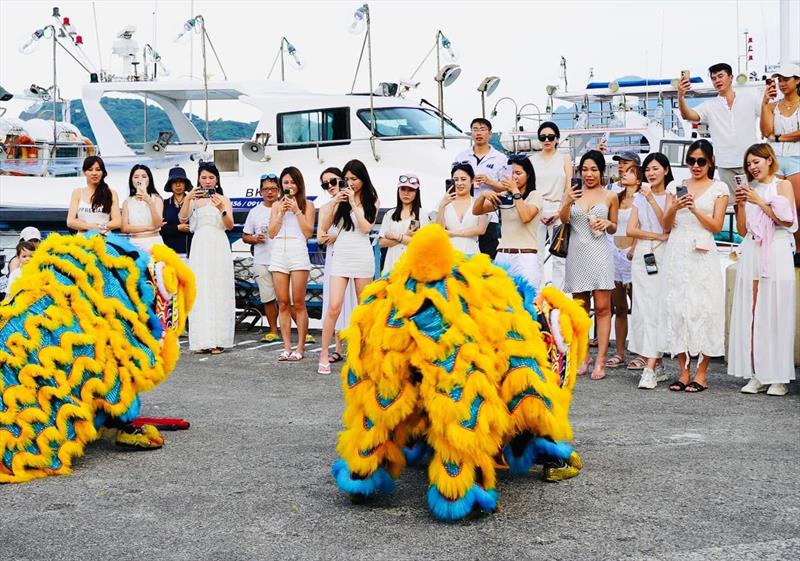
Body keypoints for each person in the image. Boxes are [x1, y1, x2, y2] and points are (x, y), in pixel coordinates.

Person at [661, 140, 729, 393]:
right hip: (678, 250)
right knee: (677, 307)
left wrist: (694, 209)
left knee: (705, 307)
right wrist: (675, 207)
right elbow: (666, 225)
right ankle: (683, 370)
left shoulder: (719, 188)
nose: (696, 166)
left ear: (710, 162)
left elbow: (717, 226)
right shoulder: (675, 186)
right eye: (691, 161)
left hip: (703, 250)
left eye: (701, 161)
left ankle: (702, 372)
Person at [729, 143, 797, 396]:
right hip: (753, 248)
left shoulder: (782, 184)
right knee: (754, 311)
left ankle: (778, 376)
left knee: (776, 309)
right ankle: (757, 372)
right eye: (749, 164)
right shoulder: (750, 190)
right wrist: (740, 205)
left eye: (756, 162)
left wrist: (759, 201)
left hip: (777, 248)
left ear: (769, 160)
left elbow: (788, 220)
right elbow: (742, 230)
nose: (752, 167)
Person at [559, 150, 619, 380]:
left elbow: (614, 227)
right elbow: (563, 219)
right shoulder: (573, 193)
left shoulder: (610, 196)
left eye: (593, 169)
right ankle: (583, 355)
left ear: (601, 171)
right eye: (585, 169)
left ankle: (601, 359)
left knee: (603, 308)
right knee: (580, 309)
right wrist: (567, 200)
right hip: (576, 253)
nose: (589, 174)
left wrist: (607, 223)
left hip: (600, 252)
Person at [318, 159, 378, 374]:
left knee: (363, 309)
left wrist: (353, 203)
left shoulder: (372, 199)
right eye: (348, 179)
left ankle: (363, 353)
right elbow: (324, 229)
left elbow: (365, 228)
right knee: (334, 306)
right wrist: (336, 202)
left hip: (361, 254)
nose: (351, 183)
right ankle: (324, 353)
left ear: (363, 179)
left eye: (355, 179)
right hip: (341, 254)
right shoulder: (339, 200)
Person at [678, 62, 761, 199]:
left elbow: (768, 113)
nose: (717, 80)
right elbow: (688, 115)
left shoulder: (750, 99)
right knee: (735, 205)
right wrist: (680, 95)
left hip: (750, 162)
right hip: (725, 164)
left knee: (756, 202)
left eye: (720, 76)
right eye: (714, 78)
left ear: (731, 77)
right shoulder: (709, 106)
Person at [626, 153, 672, 389]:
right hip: (645, 254)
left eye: (655, 168)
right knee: (643, 310)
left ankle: (650, 367)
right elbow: (631, 229)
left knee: (658, 309)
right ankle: (657, 363)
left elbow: (667, 223)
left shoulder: (671, 195)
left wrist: (653, 200)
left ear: (665, 170)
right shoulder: (638, 198)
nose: (651, 173)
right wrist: (656, 236)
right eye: (648, 169)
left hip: (664, 256)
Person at [179, 162, 235, 354]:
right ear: (198, 179)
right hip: (200, 244)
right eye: (204, 177)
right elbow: (183, 218)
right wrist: (188, 199)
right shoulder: (194, 199)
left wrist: (222, 209)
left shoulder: (224, 199)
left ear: (217, 179)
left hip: (218, 243)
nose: (208, 181)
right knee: (201, 289)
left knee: (219, 287)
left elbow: (229, 225)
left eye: (211, 177)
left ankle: (219, 339)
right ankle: (202, 340)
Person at [268, 166, 315, 362]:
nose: (289, 186)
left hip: (298, 252)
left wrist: (296, 211)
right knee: (283, 303)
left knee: (298, 302)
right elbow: (271, 233)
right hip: (279, 251)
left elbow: (307, 233)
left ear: (299, 184)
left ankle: (301, 347)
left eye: (292, 182)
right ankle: (286, 347)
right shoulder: (276, 206)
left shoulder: (308, 205)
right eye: (285, 183)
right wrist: (280, 214)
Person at [474, 155, 542, 288]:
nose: (514, 177)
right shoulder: (504, 196)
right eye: (511, 173)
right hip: (503, 255)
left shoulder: (535, 196)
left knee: (529, 300)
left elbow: (526, 217)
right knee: (501, 300)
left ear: (528, 175)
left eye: (518, 173)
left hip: (526, 256)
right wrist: (483, 195)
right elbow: (476, 211)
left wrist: (515, 190)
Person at [759, 62, 800, 265]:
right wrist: (764, 101)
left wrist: (779, 137)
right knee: (776, 205)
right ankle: (778, 248)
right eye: (780, 80)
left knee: (797, 205)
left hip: (797, 159)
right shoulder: (772, 106)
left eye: (786, 79)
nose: (782, 83)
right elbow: (765, 132)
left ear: (797, 80)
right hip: (775, 160)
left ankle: (799, 248)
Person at [317, 167, 357, 364]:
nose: (331, 186)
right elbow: (319, 236)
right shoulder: (326, 207)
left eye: (333, 181)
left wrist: (336, 235)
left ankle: (355, 345)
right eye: (326, 184)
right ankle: (338, 346)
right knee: (334, 303)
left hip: (352, 253)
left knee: (353, 298)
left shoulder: (352, 201)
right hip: (334, 256)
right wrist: (328, 236)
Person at [453, 118, 507, 258]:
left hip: (489, 214)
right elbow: (454, 184)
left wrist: (490, 181)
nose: (479, 133)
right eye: (475, 129)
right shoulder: (461, 157)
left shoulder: (500, 159)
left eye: (483, 129)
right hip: (464, 213)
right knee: (463, 252)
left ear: (490, 133)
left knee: (487, 256)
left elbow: (507, 188)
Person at [605, 165, 641, 370]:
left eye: (630, 171)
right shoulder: (615, 197)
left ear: (638, 178)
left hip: (633, 253)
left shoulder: (643, 198)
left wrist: (635, 247)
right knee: (618, 306)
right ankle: (619, 352)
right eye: (623, 171)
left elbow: (644, 224)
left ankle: (643, 352)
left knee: (639, 305)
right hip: (614, 253)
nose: (624, 173)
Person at [530, 121, 572, 289]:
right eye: (542, 137)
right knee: (536, 255)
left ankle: (558, 295)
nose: (546, 140)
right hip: (536, 209)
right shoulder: (532, 160)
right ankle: (538, 294)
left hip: (558, 208)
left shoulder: (564, 158)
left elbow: (569, 187)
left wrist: (561, 210)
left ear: (557, 139)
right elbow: (529, 188)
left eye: (550, 136)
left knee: (559, 257)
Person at [242, 173, 281, 343]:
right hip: (262, 259)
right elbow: (245, 236)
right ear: (260, 192)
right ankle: (273, 330)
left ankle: (300, 329)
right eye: (266, 189)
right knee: (268, 297)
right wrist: (254, 239)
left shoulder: (285, 207)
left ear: (279, 190)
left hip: (282, 259)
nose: (270, 192)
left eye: (273, 188)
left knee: (288, 298)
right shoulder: (254, 212)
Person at [379, 173, 428, 274]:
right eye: (403, 189)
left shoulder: (422, 214)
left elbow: (421, 243)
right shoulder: (390, 214)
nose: (406, 193)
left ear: (416, 193)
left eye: (411, 190)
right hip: (392, 265)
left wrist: (396, 236)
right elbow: (381, 243)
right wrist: (405, 236)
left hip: (413, 267)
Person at [437, 162, 488, 255]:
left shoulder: (478, 202)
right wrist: (442, 206)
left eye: (463, 179)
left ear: (472, 180)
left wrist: (453, 233)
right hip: (449, 254)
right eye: (456, 180)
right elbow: (439, 230)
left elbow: (481, 229)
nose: (459, 183)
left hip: (472, 253)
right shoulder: (445, 203)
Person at [67, 156, 121, 234]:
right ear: (84, 172)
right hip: (82, 241)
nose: (94, 173)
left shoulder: (111, 193)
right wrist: (92, 227)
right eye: (90, 170)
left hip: (104, 240)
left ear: (103, 172)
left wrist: (89, 226)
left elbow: (117, 222)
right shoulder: (77, 192)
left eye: (98, 170)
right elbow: (70, 222)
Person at [121, 164, 164, 253]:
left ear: (149, 179)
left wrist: (149, 202)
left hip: (154, 242)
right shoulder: (127, 202)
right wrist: (148, 228)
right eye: (136, 177)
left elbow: (158, 224)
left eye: (144, 176)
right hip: (134, 244)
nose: (140, 179)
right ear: (131, 180)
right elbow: (124, 228)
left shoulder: (156, 199)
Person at [161, 166, 193, 259]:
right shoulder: (164, 204)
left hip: (190, 252)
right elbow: (159, 229)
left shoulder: (193, 202)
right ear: (170, 185)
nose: (178, 185)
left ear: (185, 184)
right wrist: (177, 228)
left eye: (181, 181)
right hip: (168, 253)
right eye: (174, 182)